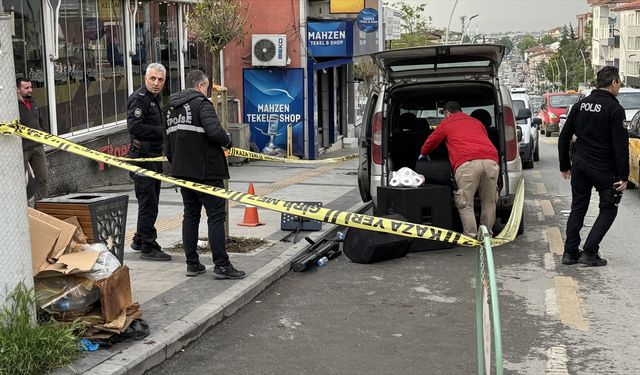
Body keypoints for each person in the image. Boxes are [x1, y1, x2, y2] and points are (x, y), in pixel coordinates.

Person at [164, 70, 245, 279]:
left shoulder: (171, 108)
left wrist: (178, 166)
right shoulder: (202, 104)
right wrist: (228, 142)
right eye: (206, 88)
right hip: (207, 171)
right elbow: (215, 132)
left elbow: (167, 145)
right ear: (201, 86)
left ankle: (192, 263)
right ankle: (222, 265)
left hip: (183, 172)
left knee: (190, 215)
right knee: (216, 216)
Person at [558, 66, 628, 267]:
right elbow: (620, 145)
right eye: (619, 83)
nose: (619, 86)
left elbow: (564, 136)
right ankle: (589, 251)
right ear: (613, 83)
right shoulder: (615, 109)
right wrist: (623, 176)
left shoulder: (581, 105)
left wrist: (565, 165)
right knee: (609, 208)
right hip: (603, 168)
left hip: (580, 165)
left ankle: (570, 253)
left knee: (578, 208)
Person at [418, 101, 499, 238]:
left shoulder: (447, 123)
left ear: (447, 113)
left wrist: (423, 153)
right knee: (489, 202)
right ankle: (486, 236)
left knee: (465, 203)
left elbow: (431, 141)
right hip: (491, 162)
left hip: (467, 164)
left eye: (444, 115)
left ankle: (470, 236)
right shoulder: (476, 122)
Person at [127, 63, 172, 261]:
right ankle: (148, 245)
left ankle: (139, 238)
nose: (156, 83)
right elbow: (135, 127)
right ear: (146, 78)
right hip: (143, 159)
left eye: (160, 80)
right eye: (152, 79)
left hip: (153, 157)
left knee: (148, 200)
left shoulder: (154, 99)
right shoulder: (139, 99)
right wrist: (163, 132)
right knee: (149, 203)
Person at [17, 77, 49, 201]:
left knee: (43, 178)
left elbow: (40, 120)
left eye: (31, 87)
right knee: (18, 182)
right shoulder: (13, 106)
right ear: (17, 90)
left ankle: (40, 208)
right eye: (26, 88)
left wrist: (45, 133)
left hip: (37, 146)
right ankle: (20, 210)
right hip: (22, 149)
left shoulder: (34, 102)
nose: (30, 90)